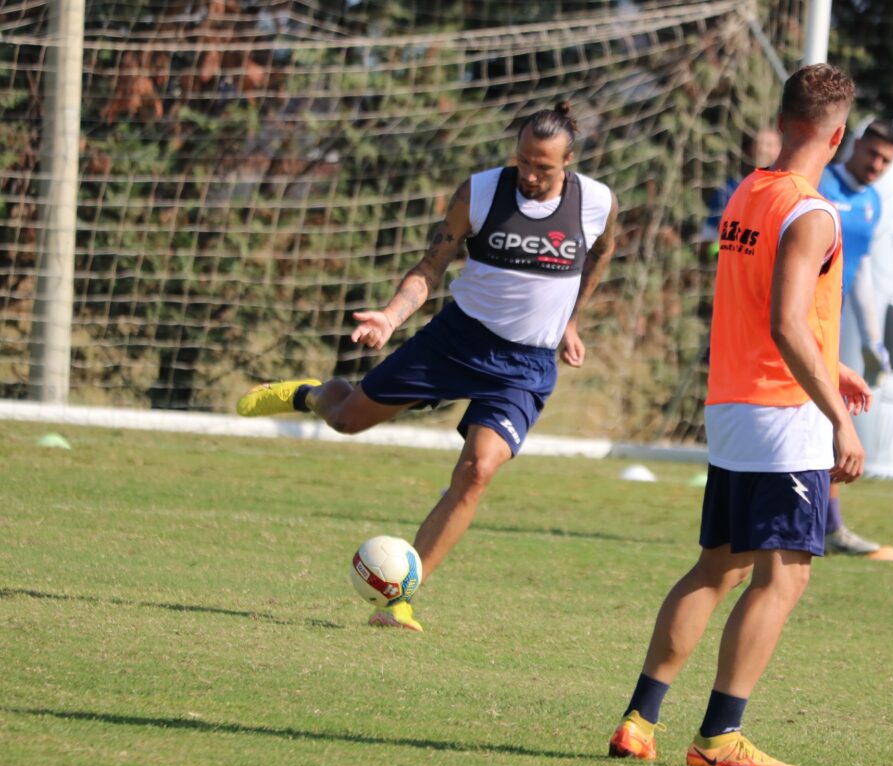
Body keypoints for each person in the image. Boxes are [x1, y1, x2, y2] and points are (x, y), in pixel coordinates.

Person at [236, 101, 618, 631]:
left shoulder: (596, 201)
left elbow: (601, 254)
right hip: (457, 341)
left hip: (524, 365)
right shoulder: (480, 192)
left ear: (568, 161)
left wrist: (570, 321)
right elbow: (432, 265)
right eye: (524, 161)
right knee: (346, 419)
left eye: (544, 167)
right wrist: (391, 317)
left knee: (477, 471)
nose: (530, 175)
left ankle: (400, 600)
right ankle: (309, 394)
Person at [607, 63, 870, 766]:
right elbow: (785, 322)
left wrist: (833, 362)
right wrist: (840, 420)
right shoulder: (814, 213)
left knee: (717, 566)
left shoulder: (748, 193)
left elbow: (769, 308)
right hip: (784, 413)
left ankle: (639, 720)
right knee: (783, 579)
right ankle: (720, 736)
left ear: (782, 121)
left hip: (731, 404)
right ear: (839, 137)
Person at [817, 118, 893, 556]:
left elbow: (861, 269)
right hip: (798, 317)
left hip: (830, 322)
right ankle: (824, 526)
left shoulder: (871, 202)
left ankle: (828, 526)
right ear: (856, 143)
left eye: (886, 161)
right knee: (819, 416)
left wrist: (872, 339)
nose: (876, 166)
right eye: (873, 154)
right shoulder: (820, 182)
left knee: (826, 416)